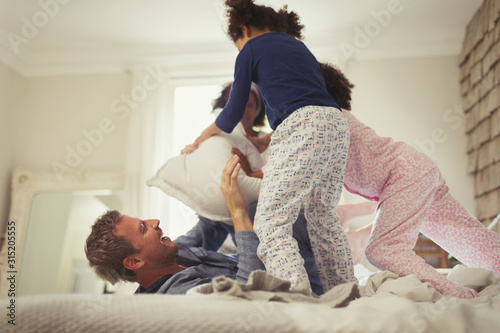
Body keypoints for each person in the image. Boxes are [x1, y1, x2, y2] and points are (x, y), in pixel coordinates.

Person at [237, 62, 500, 298]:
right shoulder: (329, 120)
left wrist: (254, 171)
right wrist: (262, 142)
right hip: (414, 169)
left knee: (383, 249)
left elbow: (293, 166)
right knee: (467, 237)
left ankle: (461, 297)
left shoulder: (327, 118)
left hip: (405, 173)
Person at [182, 0, 355, 294]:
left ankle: (297, 295)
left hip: (302, 125)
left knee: (271, 221)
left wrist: (202, 136)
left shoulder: (250, 48)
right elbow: (306, 101)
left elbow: (233, 109)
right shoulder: (299, 47)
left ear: (244, 30)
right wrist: (268, 138)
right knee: (322, 218)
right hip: (335, 125)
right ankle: (346, 292)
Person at [85, 155, 325, 295]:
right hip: (289, 283)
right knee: (250, 212)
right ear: (135, 261)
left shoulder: (171, 256)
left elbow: (210, 226)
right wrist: (238, 212)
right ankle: (328, 261)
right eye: (143, 229)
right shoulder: (180, 294)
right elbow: (248, 290)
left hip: (280, 262)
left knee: (248, 209)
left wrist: (197, 162)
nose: (155, 222)